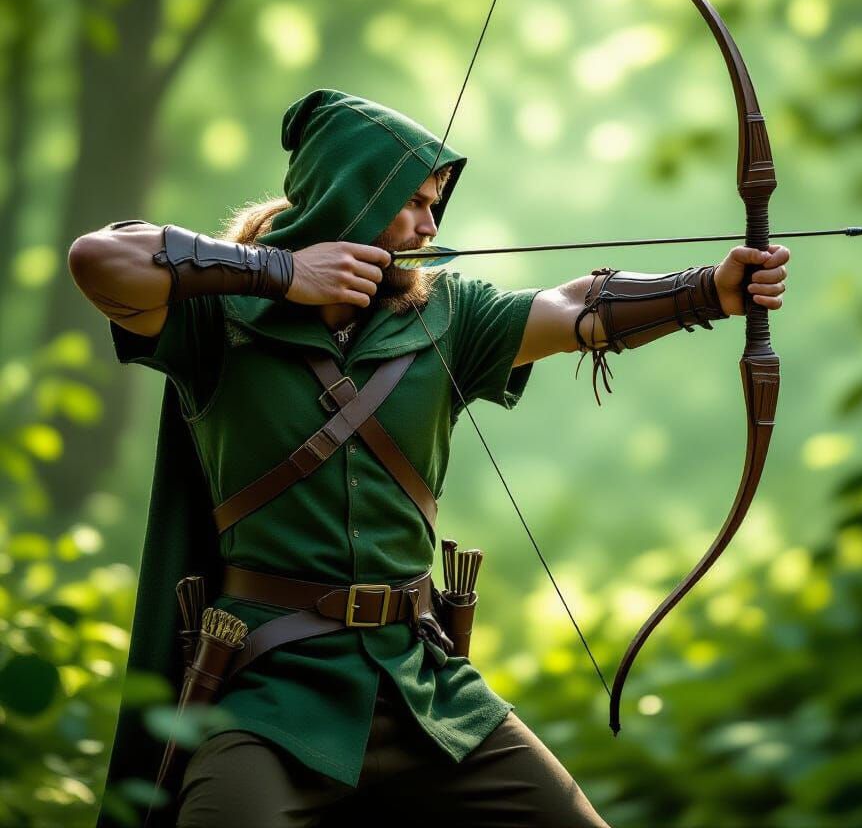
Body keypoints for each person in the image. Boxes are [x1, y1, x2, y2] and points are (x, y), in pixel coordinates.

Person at [68, 88, 789, 828]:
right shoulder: (216, 318)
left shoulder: (450, 316)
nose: (429, 223)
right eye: (411, 200)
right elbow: (97, 259)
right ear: (351, 192)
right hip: (267, 692)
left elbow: (576, 309)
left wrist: (712, 292)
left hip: (424, 686)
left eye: (435, 202)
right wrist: (279, 274)